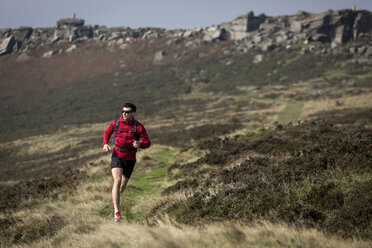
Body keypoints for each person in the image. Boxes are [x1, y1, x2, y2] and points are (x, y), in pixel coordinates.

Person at [102, 102, 151, 222]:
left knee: (122, 185)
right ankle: (117, 212)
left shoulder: (138, 127)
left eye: (127, 112)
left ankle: (115, 200)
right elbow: (107, 133)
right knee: (117, 180)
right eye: (123, 111)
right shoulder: (116, 123)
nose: (124, 113)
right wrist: (105, 144)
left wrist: (140, 144)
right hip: (117, 155)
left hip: (130, 158)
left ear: (133, 113)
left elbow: (147, 142)